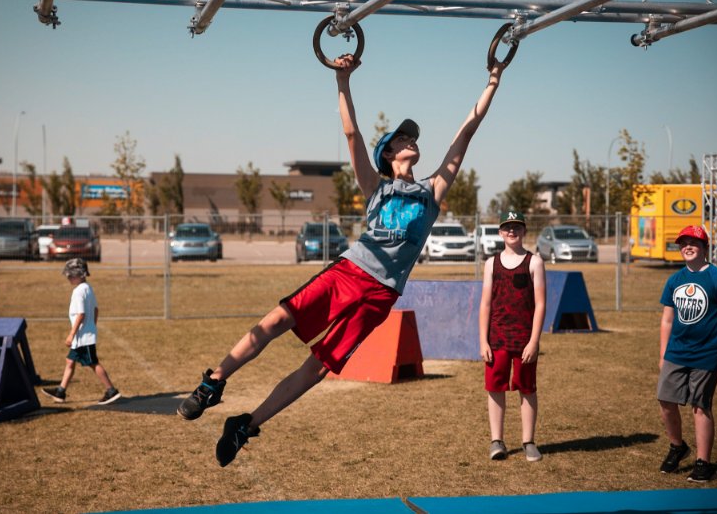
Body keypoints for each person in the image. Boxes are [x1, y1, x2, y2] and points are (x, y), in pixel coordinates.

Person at [178, 54, 508, 467]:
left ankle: (246, 425)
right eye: (402, 139)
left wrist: (492, 81)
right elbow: (352, 133)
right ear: (388, 153)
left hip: (381, 296)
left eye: (412, 137)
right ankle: (213, 383)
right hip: (349, 273)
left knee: (319, 367)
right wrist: (343, 79)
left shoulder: (431, 191)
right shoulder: (377, 187)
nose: (411, 140)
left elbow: (466, 132)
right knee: (277, 320)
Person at [657, 225, 717, 483]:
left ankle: (703, 463)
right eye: (683, 242)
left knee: (700, 407)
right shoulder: (675, 280)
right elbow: (667, 319)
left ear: (705, 248)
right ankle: (677, 446)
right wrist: (663, 353)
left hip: (707, 353)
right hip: (676, 352)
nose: (687, 246)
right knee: (665, 401)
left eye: (694, 242)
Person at [478, 210, 546, 462]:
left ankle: (528, 441)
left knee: (526, 388)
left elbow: (540, 305)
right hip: (497, 338)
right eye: (507, 227)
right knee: (495, 388)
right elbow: (485, 304)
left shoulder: (534, 262)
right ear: (500, 232)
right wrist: (483, 340)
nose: (512, 231)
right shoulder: (491, 263)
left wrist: (534, 341)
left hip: (524, 338)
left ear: (524, 231)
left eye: (517, 227)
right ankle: (497, 441)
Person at [42, 258, 121, 406]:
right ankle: (61, 392)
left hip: (83, 337)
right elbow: (96, 310)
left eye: (71, 275)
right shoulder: (88, 288)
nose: (68, 278)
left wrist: (72, 334)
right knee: (70, 361)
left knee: (93, 363)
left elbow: (81, 314)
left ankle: (111, 390)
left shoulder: (78, 292)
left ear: (80, 274)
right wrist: (92, 325)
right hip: (83, 335)